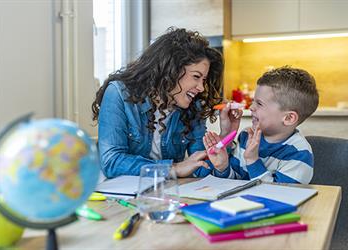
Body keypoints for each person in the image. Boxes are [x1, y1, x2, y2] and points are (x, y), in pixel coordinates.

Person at [92, 27, 241, 178]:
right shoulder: (118, 94)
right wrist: (173, 169)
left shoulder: (192, 106)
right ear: (170, 70)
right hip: (120, 197)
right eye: (196, 77)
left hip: (168, 194)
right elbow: (112, 162)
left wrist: (225, 137)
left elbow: (201, 167)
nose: (201, 87)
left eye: (203, 80)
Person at [203, 66, 319, 184]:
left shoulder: (299, 153)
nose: (251, 107)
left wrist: (253, 161)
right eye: (253, 101)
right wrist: (222, 167)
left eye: (259, 103)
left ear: (289, 118)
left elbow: (280, 195)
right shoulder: (246, 136)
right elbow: (235, 182)